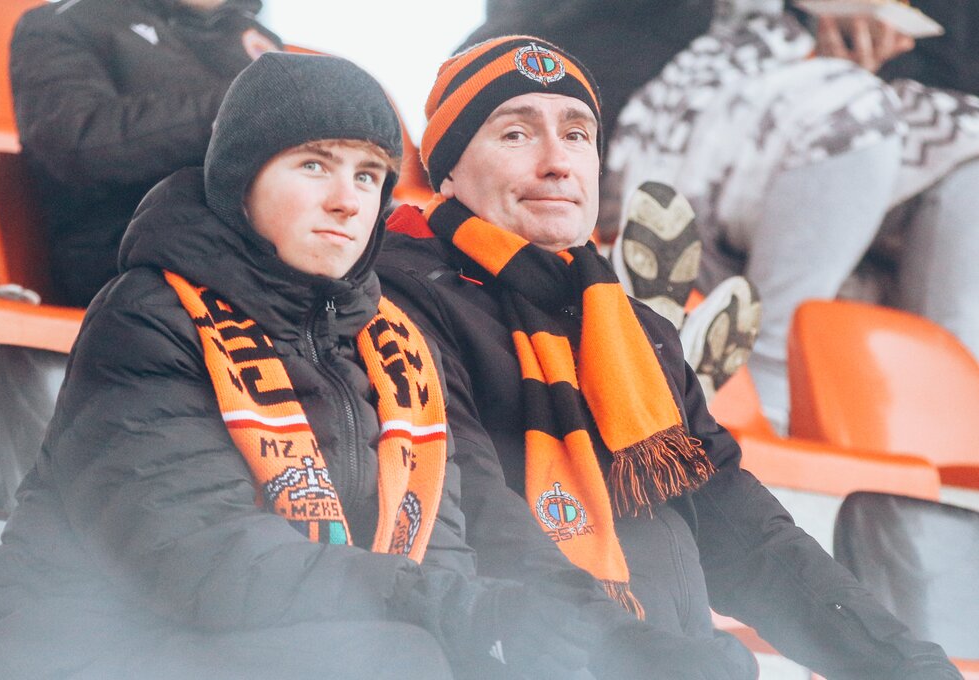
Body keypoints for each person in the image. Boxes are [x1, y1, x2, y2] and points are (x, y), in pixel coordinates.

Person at [0, 51, 759, 680]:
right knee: (403, 656)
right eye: (314, 166)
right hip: (88, 646)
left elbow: (445, 557)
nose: (347, 201)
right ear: (240, 179)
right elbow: (201, 558)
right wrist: (459, 612)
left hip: (301, 648)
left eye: (367, 175)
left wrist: (617, 647)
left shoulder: (395, 347)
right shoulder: (148, 316)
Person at [377, 35, 961, 679]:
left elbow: (746, 535)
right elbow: (476, 515)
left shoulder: (634, 327)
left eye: (576, 135)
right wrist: (636, 655)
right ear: (448, 171)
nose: (557, 162)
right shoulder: (400, 301)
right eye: (516, 134)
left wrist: (904, 664)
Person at [461, 0, 979, 431]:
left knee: (968, 165)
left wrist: (881, 35)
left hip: (836, 93)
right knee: (854, 113)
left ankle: (950, 431)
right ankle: (762, 391)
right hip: (651, 71)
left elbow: (955, 70)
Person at [9, 0, 281, 307]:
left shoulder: (254, 38)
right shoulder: (65, 21)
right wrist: (236, 105)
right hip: (128, 262)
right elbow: (77, 147)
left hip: (250, 259)